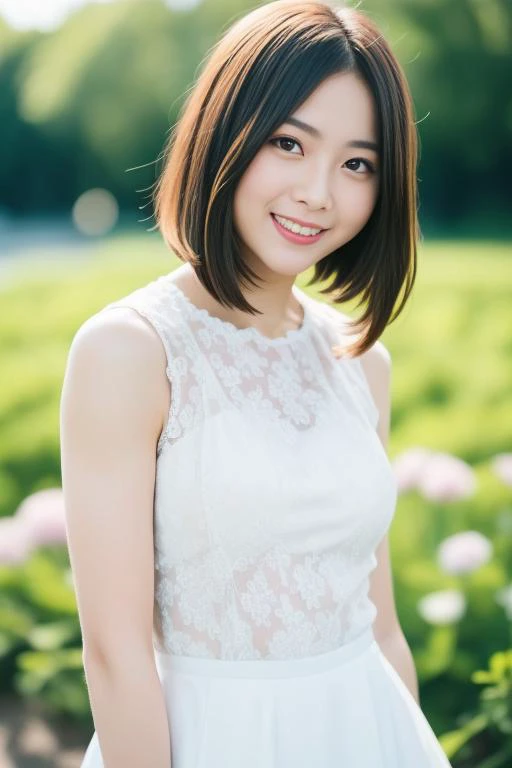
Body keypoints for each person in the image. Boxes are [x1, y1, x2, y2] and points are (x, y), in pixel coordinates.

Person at [60, 1, 453, 765]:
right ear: (224, 135)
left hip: (368, 729)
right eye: (288, 143)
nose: (318, 192)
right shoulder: (130, 352)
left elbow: (381, 626)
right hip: (213, 738)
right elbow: (114, 653)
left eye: (357, 163)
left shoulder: (360, 360)